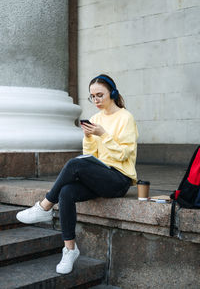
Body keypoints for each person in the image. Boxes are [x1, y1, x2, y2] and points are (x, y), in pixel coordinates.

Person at [16, 74, 139, 274]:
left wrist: (103, 135)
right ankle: (70, 249)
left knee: (74, 165)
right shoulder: (96, 119)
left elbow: (125, 154)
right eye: (92, 97)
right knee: (66, 192)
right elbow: (90, 156)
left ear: (113, 93)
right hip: (99, 174)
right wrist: (90, 137)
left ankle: (45, 206)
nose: (96, 100)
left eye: (100, 95)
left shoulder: (125, 117)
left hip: (118, 179)